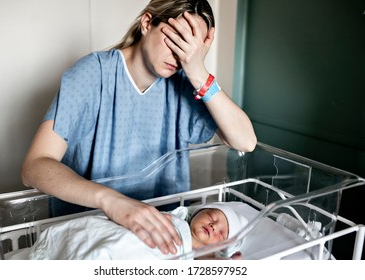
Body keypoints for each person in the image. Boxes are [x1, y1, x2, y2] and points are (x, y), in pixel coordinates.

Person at [21, 0, 257, 257]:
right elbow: (35, 166)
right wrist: (112, 202)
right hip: (94, 232)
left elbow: (245, 142)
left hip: (164, 236)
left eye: (191, 49)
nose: (180, 56)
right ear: (147, 24)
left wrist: (199, 72)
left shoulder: (187, 85)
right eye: (176, 40)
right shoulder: (93, 74)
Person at [27, 202, 248, 260]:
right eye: (212, 217)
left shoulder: (203, 256)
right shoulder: (173, 220)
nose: (213, 226)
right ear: (198, 212)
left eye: (222, 232)